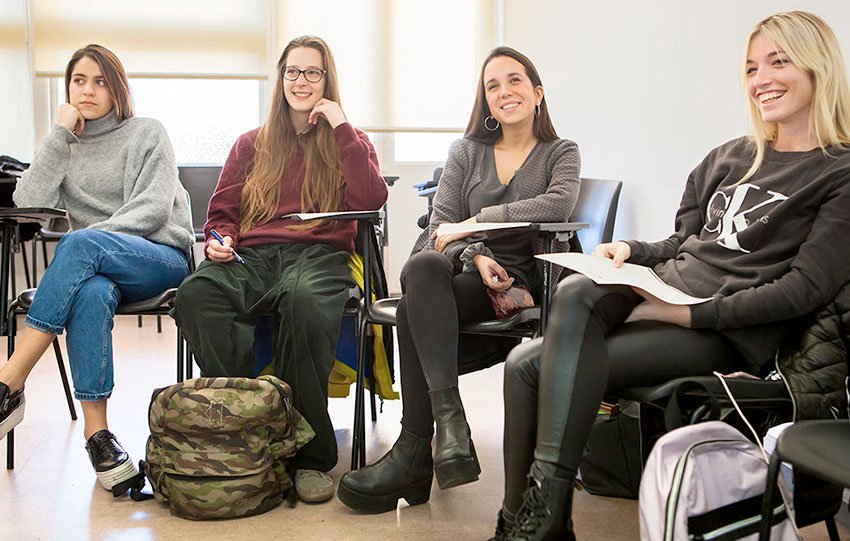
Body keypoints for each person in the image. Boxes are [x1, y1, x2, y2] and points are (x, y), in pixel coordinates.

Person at [495, 11, 850, 540]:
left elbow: (804, 290)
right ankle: (531, 520)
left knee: (530, 366)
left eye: (779, 62)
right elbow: (684, 241)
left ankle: (538, 522)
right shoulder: (730, 158)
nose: (762, 80)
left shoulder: (837, 173)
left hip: (725, 331)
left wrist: (687, 314)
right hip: (668, 289)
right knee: (567, 300)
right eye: (752, 68)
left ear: (819, 66)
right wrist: (631, 251)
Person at [338, 47, 581, 513]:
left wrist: (478, 221)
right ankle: (449, 427)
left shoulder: (560, 151)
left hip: (522, 280)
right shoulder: (466, 152)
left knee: (411, 307)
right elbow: (438, 229)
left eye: (514, 81)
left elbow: (558, 206)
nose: (504, 92)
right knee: (422, 266)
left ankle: (416, 452)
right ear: (485, 100)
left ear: (537, 92)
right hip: (467, 270)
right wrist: (476, 251)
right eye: (493, 86)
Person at [170, 35, 388, 504]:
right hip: (255, 257)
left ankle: (309, 453)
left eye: (313, 72)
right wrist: (219, 241)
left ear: (327, 80)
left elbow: (370, 202)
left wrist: (340, 124)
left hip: (322, 256)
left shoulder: (349, 139)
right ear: (280, 78)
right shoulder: (251, 144)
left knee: (307, 302)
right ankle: (250, 426)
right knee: (196, 295)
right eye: (293, 71)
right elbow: (222, 212)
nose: (301, 80)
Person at [0, 45, 194, 493]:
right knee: (88, 292)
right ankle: (98, 438)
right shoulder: (65, 146)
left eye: (100, 81)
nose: (87, 90)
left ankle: (10, 380)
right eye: (78, 81)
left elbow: (150, 212)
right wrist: (58, 135)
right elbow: (27, 203)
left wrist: (90, 242)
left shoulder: (147, 133)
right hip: (93, 268)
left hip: (157, 257)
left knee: (80, 243)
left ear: (118, 87)